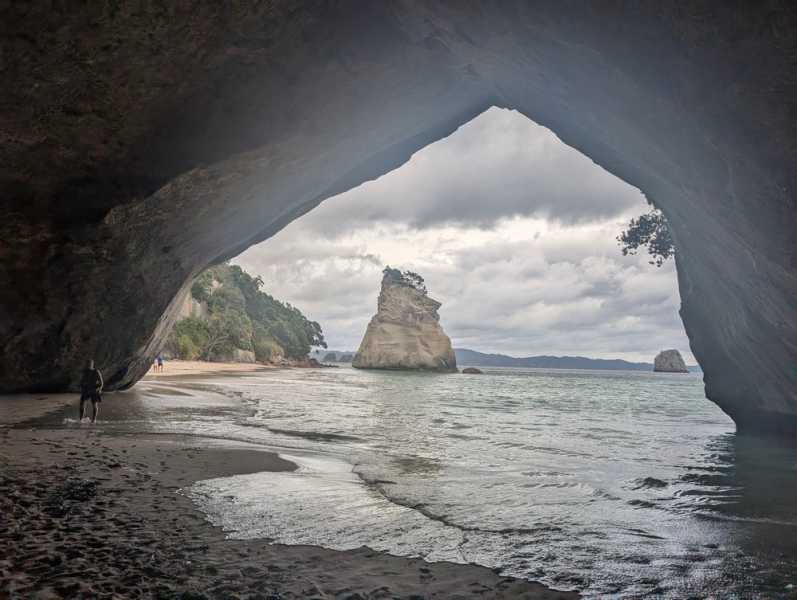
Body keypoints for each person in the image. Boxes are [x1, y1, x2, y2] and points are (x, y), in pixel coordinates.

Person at [79, 359, 103, 423]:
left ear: (92, 364)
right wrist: (82, 386)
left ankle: (94, 420)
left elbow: (101, 383)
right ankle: (81, 419)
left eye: (90, 364)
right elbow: (81, 381)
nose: (88, 365)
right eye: (87, 364)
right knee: (81, 404)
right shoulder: (85, 371)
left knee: (94, 405)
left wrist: (99, 389)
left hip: (94, 390)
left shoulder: (96, 371)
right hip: (86, 390)